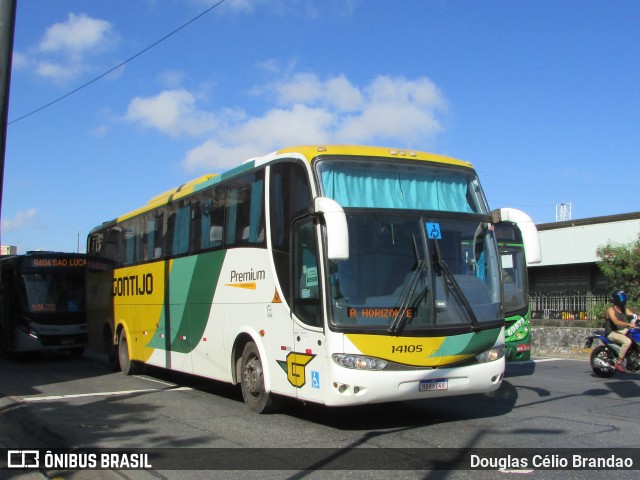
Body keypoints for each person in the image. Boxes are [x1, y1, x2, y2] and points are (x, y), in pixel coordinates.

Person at [604, 289, 637, 372]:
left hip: (621, 330)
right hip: (611, 332)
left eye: (624, 297)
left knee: (635, 334)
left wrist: (637, 318)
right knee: (627, 341)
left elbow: (634, 316)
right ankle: (619, 362)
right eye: (621, 297)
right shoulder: (611, 309)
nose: (623, 299)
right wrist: (628, 324)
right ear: (616, 299)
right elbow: (616, 322)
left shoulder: (623, 308)